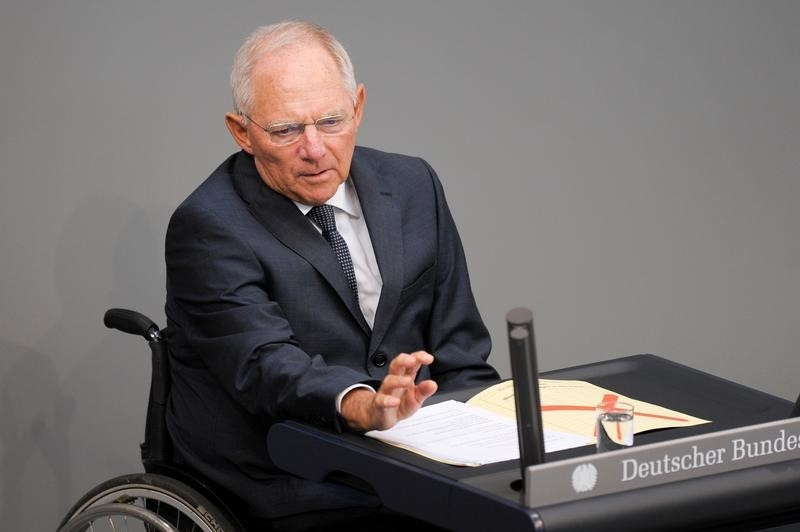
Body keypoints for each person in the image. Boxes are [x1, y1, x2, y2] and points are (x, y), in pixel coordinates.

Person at [164, 20, 500, 530]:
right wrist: (364, 406)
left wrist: (493, 446)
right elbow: (266, 366)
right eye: (285, 130)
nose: (315, 148)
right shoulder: (209, 227)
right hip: (290, 479)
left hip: (417, 462)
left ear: (358, 107)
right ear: (242, 133)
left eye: (331, 121)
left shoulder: (413, 185)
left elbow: (462, 349)